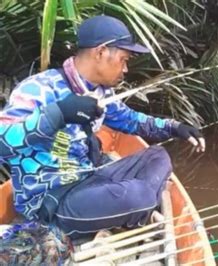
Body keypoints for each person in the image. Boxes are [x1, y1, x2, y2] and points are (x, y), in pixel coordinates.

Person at [0, 15, 205, 238]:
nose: (125, 69)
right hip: (53, 201)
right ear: (101, 52)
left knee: (158, 156)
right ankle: (132, 209)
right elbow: (3, 143)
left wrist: (174, 127)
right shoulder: (38, 89)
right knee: (139, 197)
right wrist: (57, 114)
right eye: (123, 59)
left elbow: (130, 119)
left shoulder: (99, 91)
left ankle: (123, 209)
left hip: (89, 178)